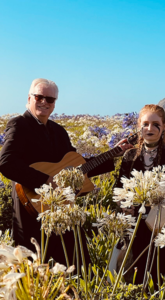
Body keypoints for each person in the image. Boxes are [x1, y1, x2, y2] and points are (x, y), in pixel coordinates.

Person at [0, 78, 132, 264]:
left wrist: (113, 154)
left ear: (55, 104)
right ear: (29, 98)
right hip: (31, 207)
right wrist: (46, 180)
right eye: (39, 97)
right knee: (35, 264)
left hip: (63, 206)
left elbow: (77, 168)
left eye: (50, 99)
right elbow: (6, 163)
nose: (44, 102)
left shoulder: (58, 131)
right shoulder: (18, 125)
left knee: (75, 261)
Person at [114, 104, 165, 284]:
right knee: (134, 270)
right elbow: (119, 187)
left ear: (164, 126)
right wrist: (124, 205)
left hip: (160, 221)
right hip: (134, 222)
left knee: (158, 271)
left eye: (155, 124)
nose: (149, 128)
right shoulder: (129, 156)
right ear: (139, 126)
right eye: (145, 124)